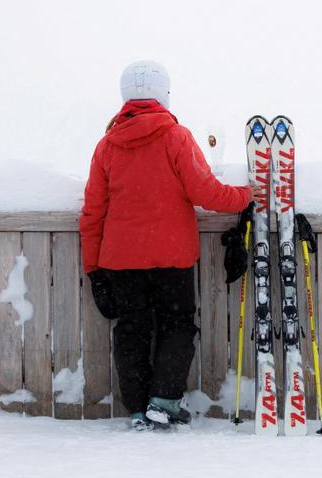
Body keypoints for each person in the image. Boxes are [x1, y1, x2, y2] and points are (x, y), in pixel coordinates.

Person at [79, 60, 252, 430]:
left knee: (132, 331)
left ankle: (139, 410)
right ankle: (165, 400)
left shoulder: (107, 146)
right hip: (172, 257)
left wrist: (94, 271)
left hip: (121, 262)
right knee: (176, 326)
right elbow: (206, 192)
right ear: (164, 95)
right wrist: (248, 195)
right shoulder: (175, 137)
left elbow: (92, 214)